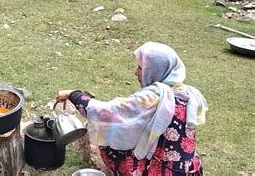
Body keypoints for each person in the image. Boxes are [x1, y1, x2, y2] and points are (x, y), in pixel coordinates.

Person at [58, 42, 208, 175]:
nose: (136, 72)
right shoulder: (187, 94)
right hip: (189, 169)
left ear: (155, 70)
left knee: (112, 145)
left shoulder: (154, 97)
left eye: (141, 67)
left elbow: (107, 113)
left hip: (163, 171)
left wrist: (72, 94)